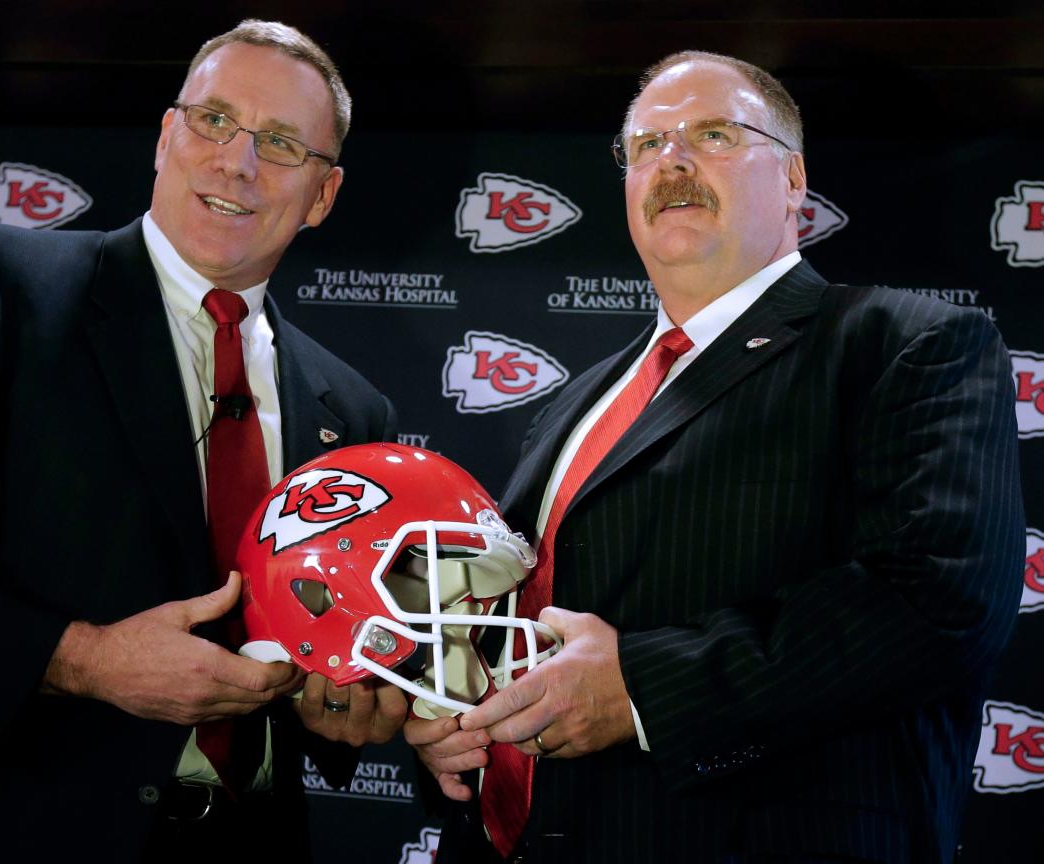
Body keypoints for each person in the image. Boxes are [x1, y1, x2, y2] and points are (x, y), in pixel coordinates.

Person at [0, 19, 406, 864]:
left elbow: (327, 655)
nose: (237, 161)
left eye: (280, 143)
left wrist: (339, 705)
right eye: (214, 121)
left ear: (323, 196)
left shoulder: (353, 407)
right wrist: (82, 660)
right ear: (166, 136)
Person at [407, 50, 1023, 864]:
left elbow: (939, 603)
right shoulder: (579, 399)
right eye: (648, 145)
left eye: (714, 133)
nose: (674, 160)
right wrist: (456, 716)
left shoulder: (906, 344)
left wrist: (642, 690)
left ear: (795, 178)